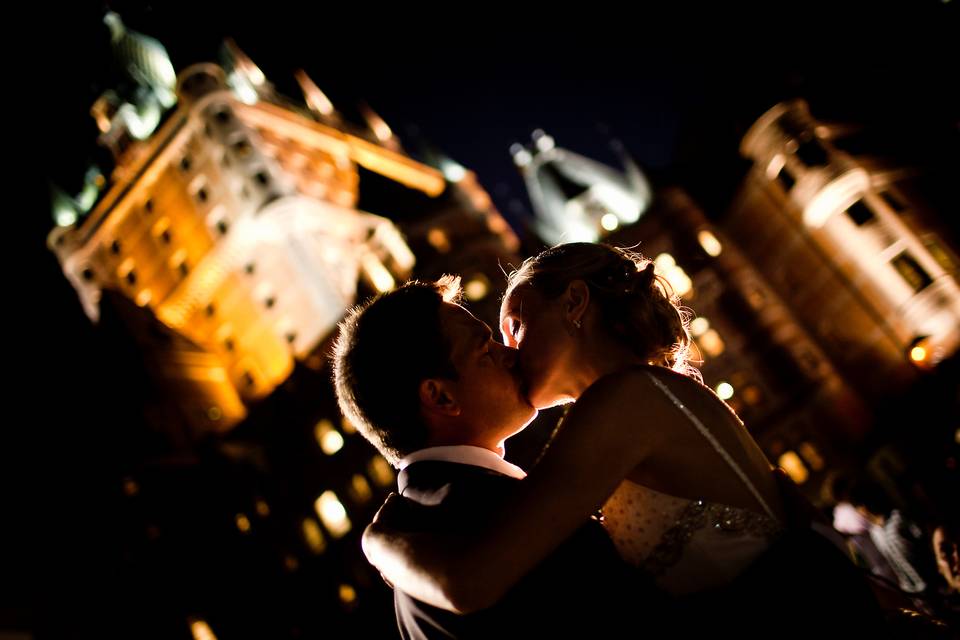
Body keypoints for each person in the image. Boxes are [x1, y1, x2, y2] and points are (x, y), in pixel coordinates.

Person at [364, 243, 891, 636]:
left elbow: (469, 582)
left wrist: (381, 545)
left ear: (574, 303)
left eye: (516, 325)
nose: (508, 352)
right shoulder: (643, 399)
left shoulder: (625, 401)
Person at [331, 275, 671, 639]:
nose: (511, 355)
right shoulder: (483, 517)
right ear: (441, 397)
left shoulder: (414, 550)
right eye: (486, 349)